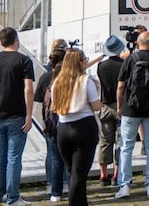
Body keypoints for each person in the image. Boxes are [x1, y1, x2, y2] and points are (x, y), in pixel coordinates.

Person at [0, 27, 35, 206]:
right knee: (13, 158)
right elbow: (28, 89)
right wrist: (29, 115)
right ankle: (12, 197)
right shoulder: (24, 60)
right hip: (16, 115)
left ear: (1, 41)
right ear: (16, 40)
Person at [115, 30, 149, 198]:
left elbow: (121, 85)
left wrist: (119, 106)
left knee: (126, 147)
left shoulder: (130, 59)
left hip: (130, 108)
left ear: (138, 43)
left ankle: (124, 185)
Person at [51, 49, 101, 206]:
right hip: (83, 126)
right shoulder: (85, 81)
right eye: (84, 59)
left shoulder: (57, 82)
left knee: (71, 171)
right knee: (79, 174)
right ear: (78, 62)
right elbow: (96, 106)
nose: (86, 61)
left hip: (63, 128)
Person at [34, 47, 69, 202]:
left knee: (53, 155)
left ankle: (53, 187)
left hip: (50, 123)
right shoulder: (68, 77)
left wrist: (42, 122)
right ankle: (66, 183)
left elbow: (38, 101)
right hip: (66, 121)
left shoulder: (45, 77)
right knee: (67, 156)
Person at [96, 35, 126, 187]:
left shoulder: (101, 66)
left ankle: (103, 174)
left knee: (105, 141)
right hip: (121, 105)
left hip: (106, 105)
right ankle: (116, 173)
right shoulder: (124, 64)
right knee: (120, 141)